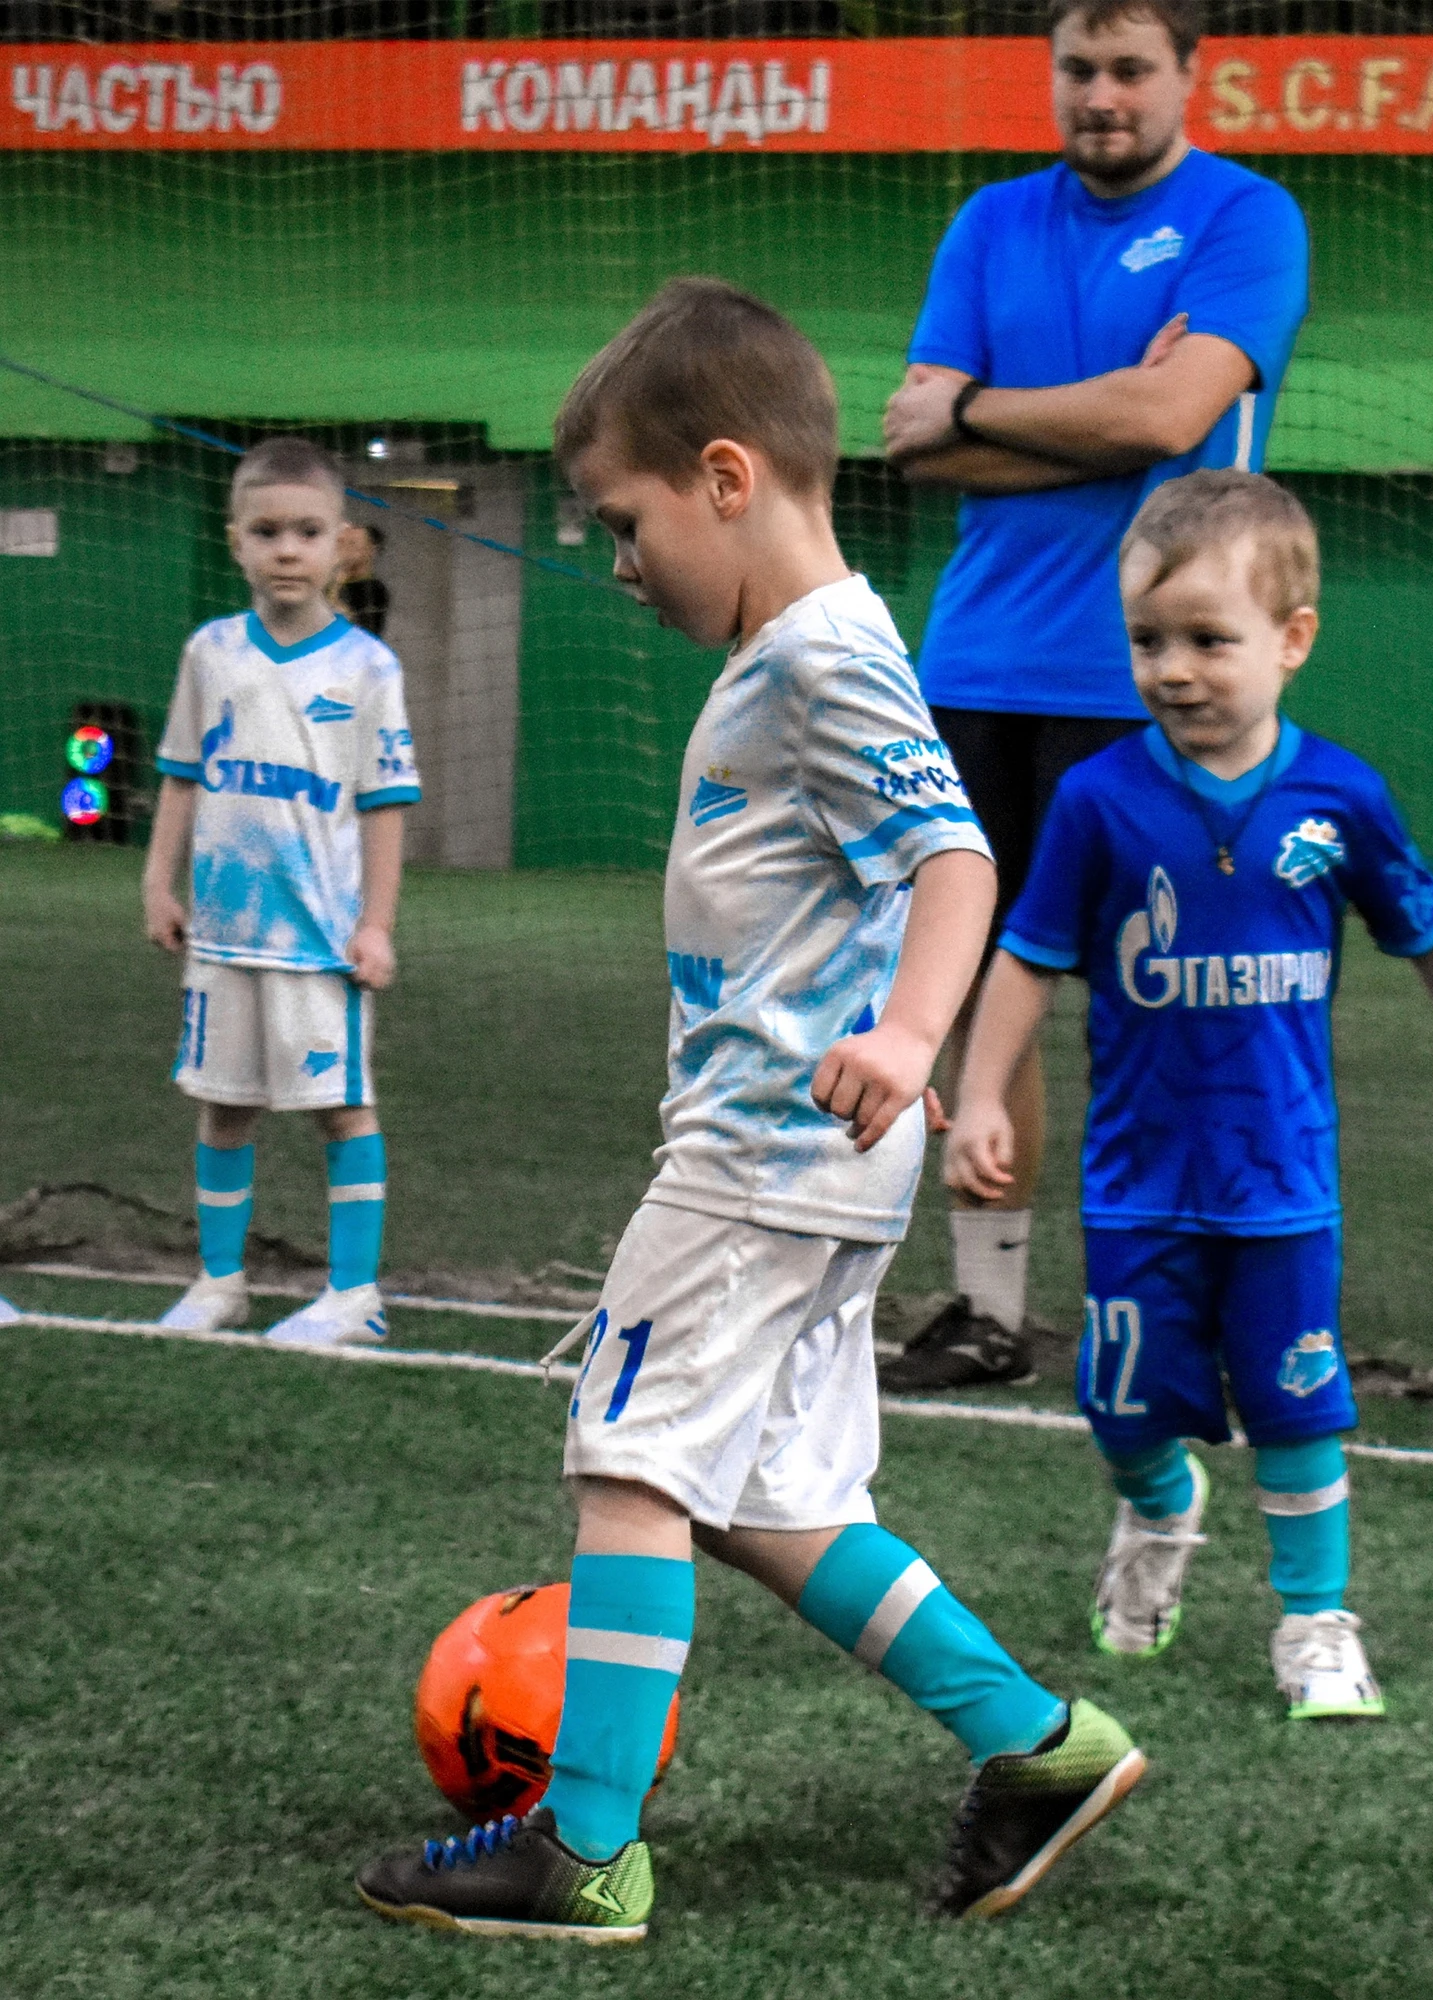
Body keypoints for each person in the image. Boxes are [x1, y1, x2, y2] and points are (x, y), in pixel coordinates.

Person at [356, 280, 1145, 1942]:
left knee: (629, 1463)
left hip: (763, 1159)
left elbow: (956, 859)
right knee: (778, 1503)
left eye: (621, 521)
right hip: (810, 1165)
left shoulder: (820, 659)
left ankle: (582, 1847)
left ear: (727, 478)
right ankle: (1035, 1743)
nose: (616, 560)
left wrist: (914, 1036)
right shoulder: (798, 656)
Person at [945, 469, 1433, 1717]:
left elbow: (1432, 931)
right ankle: (1160, 1508)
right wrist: (984, 1090)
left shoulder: (1340, 799)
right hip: (1137, 1182)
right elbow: (1028, 954)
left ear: (1292, 638)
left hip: (1281, 1181)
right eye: (1146, 640)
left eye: (1208, 639)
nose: (1173, 670)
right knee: (1119, 1406)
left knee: (1296, 1404)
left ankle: (1315, 1620)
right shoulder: (1097, 799)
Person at [879, 0, 1309, 1390]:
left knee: (1181, 1005)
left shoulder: (1249, 218)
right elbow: (915, 442)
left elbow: (1169, 422)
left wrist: (987, 407)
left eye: (1130, 69)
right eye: (1079, 68)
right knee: (972, 992)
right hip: (974, 668)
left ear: (1188, 75)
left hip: (1160, 679)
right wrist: (1105, 408)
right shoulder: (990, 222)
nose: (1101, 94)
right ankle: (989, 1311)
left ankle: (1207, 1310)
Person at [142, 436, 421, 1347]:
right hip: (223, 934)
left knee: (342, 1109)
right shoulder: (210, 653)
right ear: (236, 543)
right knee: (224, 1106)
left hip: (318, 939)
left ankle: (354, 1295)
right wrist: (157, 882)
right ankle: (219, 1282)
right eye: (267, 533)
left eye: (307, 531)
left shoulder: (369, 669)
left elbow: (384, 806)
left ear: (343, 543)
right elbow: (181, 777)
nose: (287, 550)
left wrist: (376, 926)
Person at [337, 522, 391, 639]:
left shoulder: (374, 592)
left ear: (371, 550)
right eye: (345, 544)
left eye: (353, 544)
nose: (347, 550)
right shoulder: (331, 580)